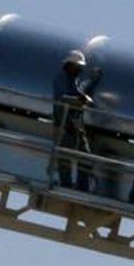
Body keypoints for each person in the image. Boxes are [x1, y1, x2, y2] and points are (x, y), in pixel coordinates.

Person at [50, 49, 98, 191]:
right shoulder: (61, 79)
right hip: (65, 125)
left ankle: (82, 186)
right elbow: (62, 98)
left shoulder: (73, 80)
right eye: (79, 67)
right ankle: (66, 185)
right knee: (65, 157)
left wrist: (93, 80)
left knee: (85, 157)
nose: (80, 70)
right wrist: (79, 100)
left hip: (75, 125)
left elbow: (79, 91)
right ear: (71, 65)